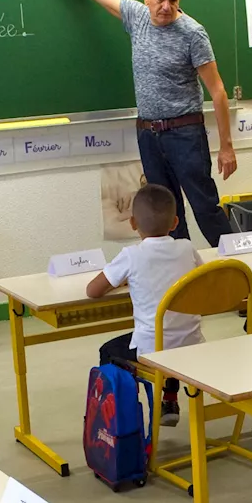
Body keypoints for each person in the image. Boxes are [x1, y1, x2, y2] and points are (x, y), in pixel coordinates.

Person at [19, 0, 237, 245]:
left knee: (205, 207)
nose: (166, 6)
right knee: (165, 215)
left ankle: (243, 272)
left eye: (173, 1)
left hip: (185, 134)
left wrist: (227, 147)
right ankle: (178, 280)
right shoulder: (136, 16)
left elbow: (217, 90)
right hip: (148, 134)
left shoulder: (193, 34)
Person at [87, 183, 201, 427]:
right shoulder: (187, 248)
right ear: (175, 223)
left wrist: (123, 280)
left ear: (133, 223)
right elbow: (200, 279)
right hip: (192, 344)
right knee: (171, 331)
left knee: (109, 351)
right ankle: (169, 398)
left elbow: (93, 291)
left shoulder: (131, 255)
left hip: (153, 350)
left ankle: (122, 421)